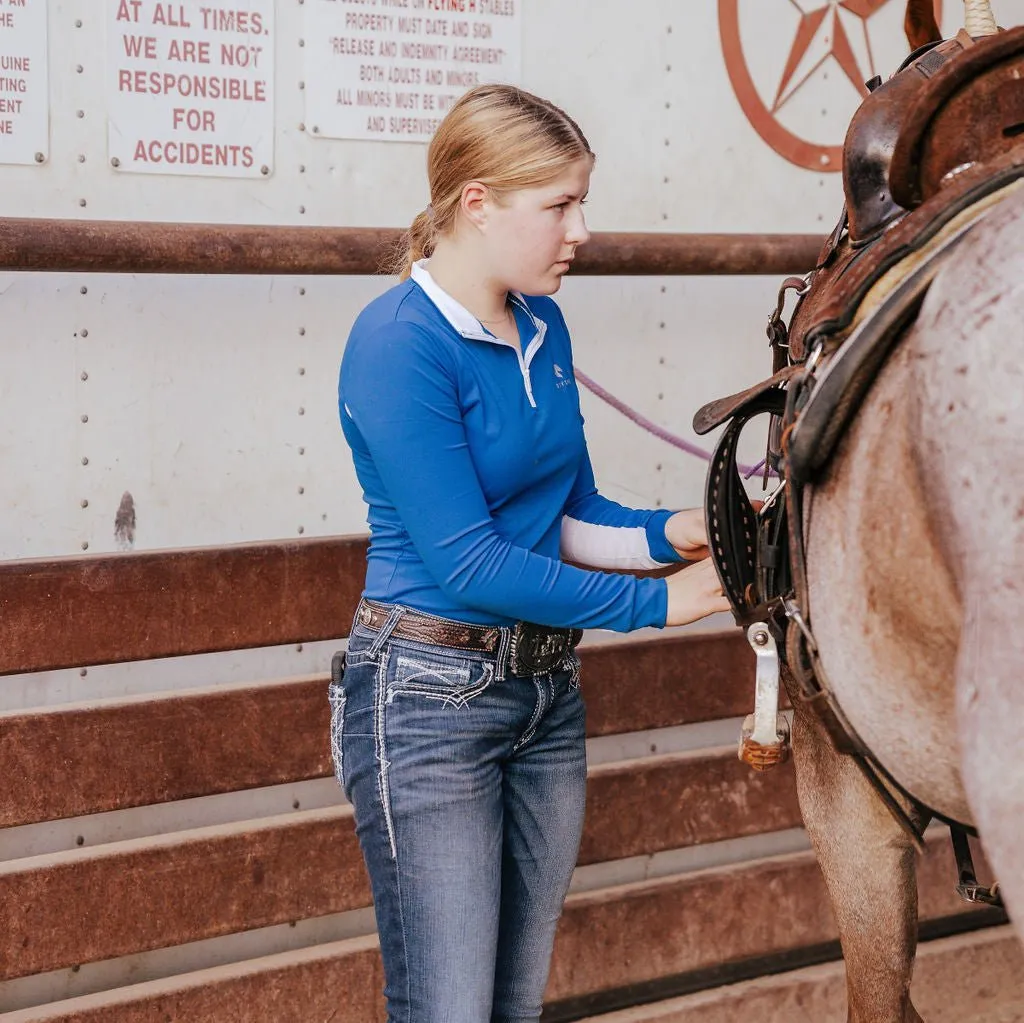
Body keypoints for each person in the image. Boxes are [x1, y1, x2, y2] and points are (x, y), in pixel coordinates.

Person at [331, 83, 729, 1023]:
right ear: (478, 202)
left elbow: (569, 513)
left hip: (543, 694)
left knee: (512, 1005)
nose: (580, 230)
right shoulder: (397, 344)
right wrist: (666, 604)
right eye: (559, 204)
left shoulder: (542, 324)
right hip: (428, 700)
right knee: (451, 1009)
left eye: (580, 202)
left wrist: (681, 528)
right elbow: (469, 561)